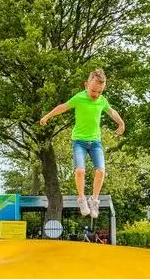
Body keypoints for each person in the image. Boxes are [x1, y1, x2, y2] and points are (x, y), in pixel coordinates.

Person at [39, 69, 125, 218]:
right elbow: (63, 107)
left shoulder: (102, 100)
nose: (96, 95)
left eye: (99, 92)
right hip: (79, 142)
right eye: (93, 91)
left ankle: (94, 200)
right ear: (86, 85)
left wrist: (121, 123)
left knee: (101, 171)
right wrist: (47, 116)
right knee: (80, 171)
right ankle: (81, 199)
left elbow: (112, 112)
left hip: (96, 142)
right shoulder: (79, 98)